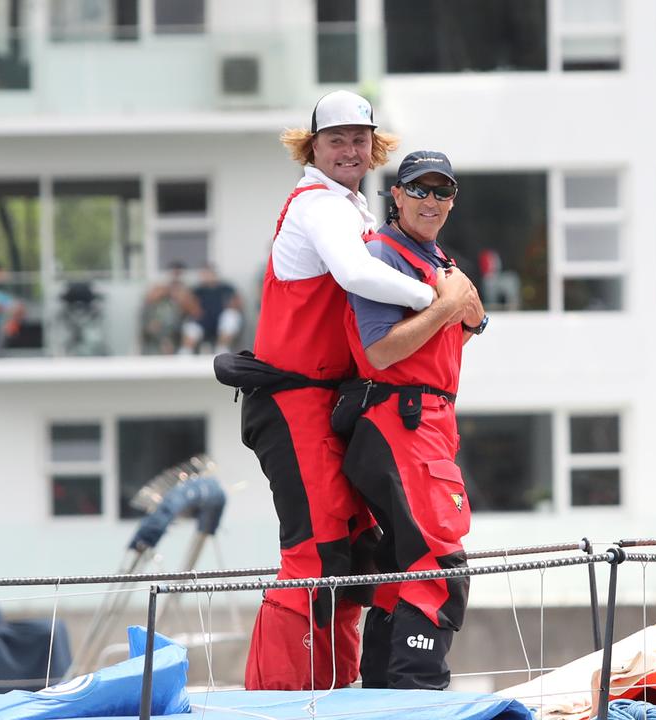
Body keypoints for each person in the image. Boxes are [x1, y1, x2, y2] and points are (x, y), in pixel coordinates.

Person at [231, 91, 444, 691]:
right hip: (295, 403)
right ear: (314, 147)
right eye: (336, 140)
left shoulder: (355, 211)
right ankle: (275, 701)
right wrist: (438, 301)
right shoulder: (318, 206)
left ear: (373, 147)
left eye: (359, 140)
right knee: (317, 553)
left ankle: (339, 691)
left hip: (330, 406)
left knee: (355, 555)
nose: (350, 150)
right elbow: (355, 275)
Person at [340, 150, 487, 690]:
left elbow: (468, 321)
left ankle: (384, 687)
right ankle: (419, 692)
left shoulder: (433, 258)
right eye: (418, 190)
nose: (431, 200)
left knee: (404, 559)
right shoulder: (382, 255)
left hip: (426, 422)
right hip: (402, 419)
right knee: (439, 561)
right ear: (395, 195)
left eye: (441, 191)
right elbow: (379, 352)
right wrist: (453, 306)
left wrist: (466, 312)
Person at [140, 261, 201, 355]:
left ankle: (183, 355)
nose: (176, 276)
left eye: (178, 273)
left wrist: (183, 300)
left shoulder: (187, 290)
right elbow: (148, 300)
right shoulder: (161, 288)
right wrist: (167, 292)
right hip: (161, 325)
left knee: (191, 330)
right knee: (156, 326)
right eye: (174, 273)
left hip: (179, 325)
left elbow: (196, 312)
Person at [182, 265, 243, 354]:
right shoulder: (198, 290)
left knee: (231, 316)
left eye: (209, 273)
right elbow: (188, 304)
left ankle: (222, 349)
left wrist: (231, 305)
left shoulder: (226, 288)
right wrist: (194, 309)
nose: (207, 276)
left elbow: (237, 302)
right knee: (191, 327)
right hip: (203, 320)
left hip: (221, 320)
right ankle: (186, 353)